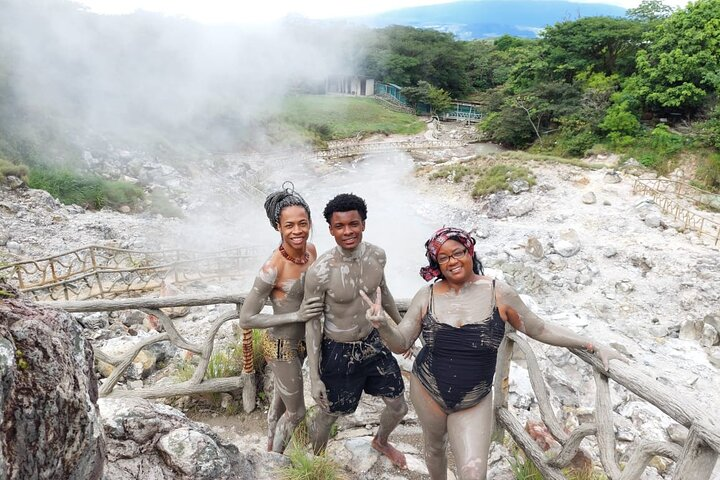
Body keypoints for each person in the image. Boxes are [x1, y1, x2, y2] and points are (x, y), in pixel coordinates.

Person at [359, 226, 623, 480]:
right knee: (435, 447)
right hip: (427, 388)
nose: (452, 261)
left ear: (470, 252)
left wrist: (590, 343)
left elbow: (538, 328)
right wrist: (383, 324)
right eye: (443, 257)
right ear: (436, 264)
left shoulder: (499, 293)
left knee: (474, 473)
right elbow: (401, 343)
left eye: (458, 253)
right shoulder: (426, 295)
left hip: (474, 398)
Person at [301, 193, 409, 468]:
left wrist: (402, 332)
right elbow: (312, 324)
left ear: (363, 224)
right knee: (329, 413)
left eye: (354, 224)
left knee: (399, 407)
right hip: (338, 349)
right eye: (340, 226)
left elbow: (383, 293)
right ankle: (316, 463)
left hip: (373, 343)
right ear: (331, 229)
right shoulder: (320, 272)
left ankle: (381, 441)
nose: (348, 231)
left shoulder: (377, 256)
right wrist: (314, 377)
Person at [238, 183, 323, 453]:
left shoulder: (311, 251)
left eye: (302, 223)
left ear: (309, 223)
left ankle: (268, 444)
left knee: (282, 401)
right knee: (296, 412)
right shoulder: (271, 268)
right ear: (278, 227)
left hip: (303, 343)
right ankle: (274, 459)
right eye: (289, 226)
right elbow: (246, 318)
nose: (297, 231)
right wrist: (296, 315)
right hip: (280, 346)